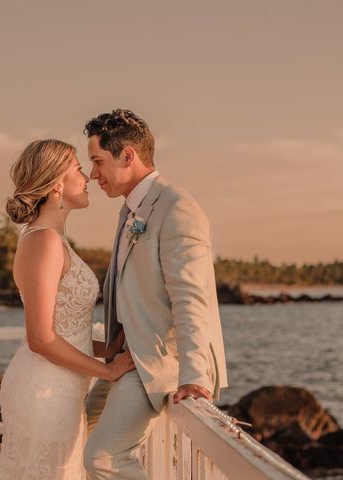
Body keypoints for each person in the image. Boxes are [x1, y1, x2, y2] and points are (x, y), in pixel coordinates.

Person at [83, 109, 228, 479]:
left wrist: (195, 378)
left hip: (161, 359)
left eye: (98, 162)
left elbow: (190, 298)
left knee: (103, 457)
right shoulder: (131, 210)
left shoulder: (177, 208)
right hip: (129, 355)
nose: (92, 174)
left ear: (128, 156)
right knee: (77, 425)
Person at [0, 139, 136, 480]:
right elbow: (41, 338)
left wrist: (109, 350)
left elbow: (65, 332)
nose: (87, 177)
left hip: (61, 388)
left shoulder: (52, 239)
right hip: (44, 390)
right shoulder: (43, 241)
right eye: (78, 169)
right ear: (57, 183)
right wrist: (109, 371)